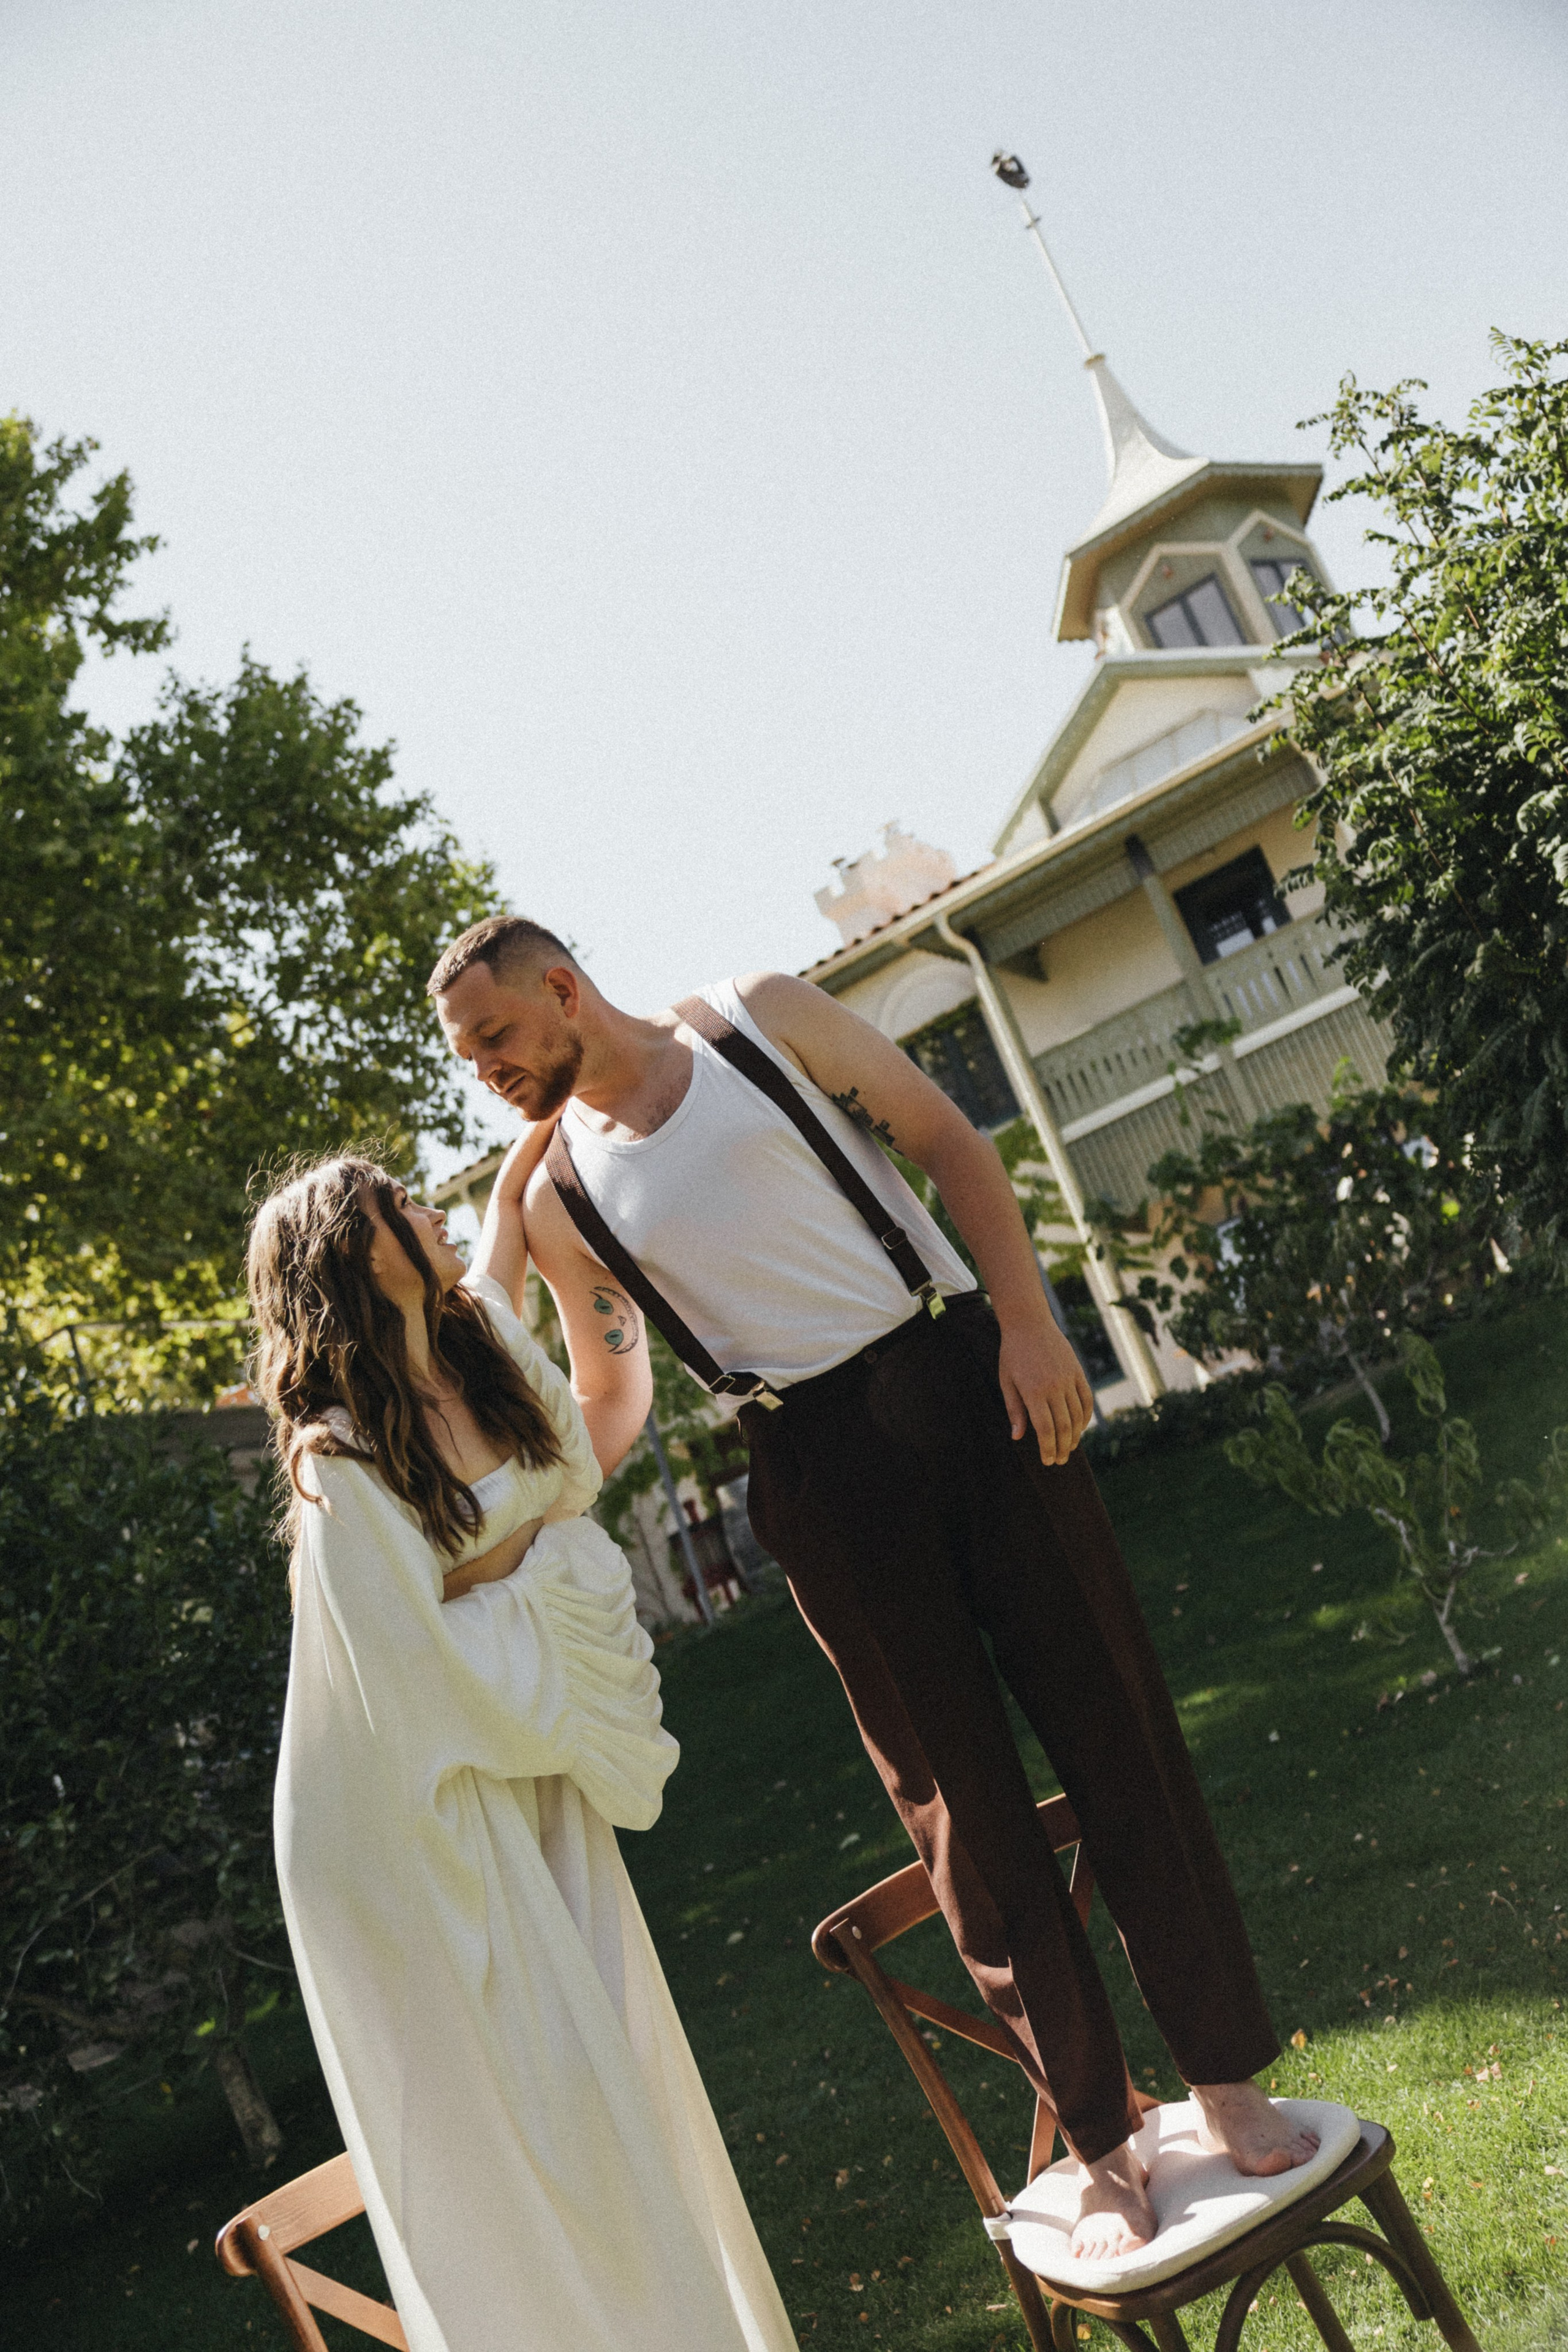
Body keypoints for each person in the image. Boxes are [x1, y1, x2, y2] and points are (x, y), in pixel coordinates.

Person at [428, 914, 1321, 2263]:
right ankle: (1098, 2138)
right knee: (960, 1812)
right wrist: (540, 1502)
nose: (484, 1070)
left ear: (562, 989)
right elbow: (607, 1388)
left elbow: (951, 1142)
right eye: (465, 1056)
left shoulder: (754, 1017)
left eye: (494, 1037)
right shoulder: (560, 1201)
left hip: (964, 1382)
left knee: (1112, 1728)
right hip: (815, 1473)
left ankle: (1224, 2082)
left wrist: (1025, 1323)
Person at [249, 1154, 796, 2352]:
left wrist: (479, 1566)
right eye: (397, 1197)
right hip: (410, 1828)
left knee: (619, 2071)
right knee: (542, 2110)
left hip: (520, 1764)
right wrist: (533, 1551)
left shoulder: (481, 1354)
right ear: (349, 1250)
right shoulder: (335, 1464)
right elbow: (422, 1682)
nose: (428, 1202)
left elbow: (571, 1477)